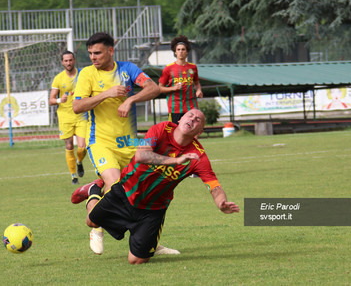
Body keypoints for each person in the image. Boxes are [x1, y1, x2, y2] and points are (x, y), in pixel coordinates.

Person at [77, 109, 239, 264]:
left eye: (198, 120)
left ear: (200, 132)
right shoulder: (161, 129)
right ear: (180, 119)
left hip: (153, 209)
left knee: (136, 261)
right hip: (125, 192)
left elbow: (214, 185)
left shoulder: (198, 156)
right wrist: (175, 161)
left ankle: (145, 239)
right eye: (190, 115)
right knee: (91, 222)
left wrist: (221, 202)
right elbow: (141, 155)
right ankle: (94, 190)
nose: (192, 119)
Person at [72, 32, 182, 255]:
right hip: (101, 142)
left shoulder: (127, 69)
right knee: (116, 188)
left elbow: (153, 88)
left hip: (131, 143)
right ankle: (98, 227)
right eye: (90, 53)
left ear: (111, 51)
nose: (93, 57)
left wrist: (131, 98)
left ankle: (148, 241)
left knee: (149, 192)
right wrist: (107, 93)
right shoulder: (86, 74)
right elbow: (77, 106)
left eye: (98, 52)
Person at [49, 51, 88, 185]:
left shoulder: (82, 75)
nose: (68, 63)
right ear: (62, 62)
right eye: (66, 61)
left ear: (74, 60)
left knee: (82, 147)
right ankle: (73, 176)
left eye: (70, 60)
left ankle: (79, 161)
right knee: (69, 145)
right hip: (65, 117)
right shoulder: (58, 78)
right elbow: (51, 100)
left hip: (81, 115)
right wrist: (60, 99)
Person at [159, 35, 203, 124]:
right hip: (175, 107)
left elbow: (197, 83)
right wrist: (173, 88)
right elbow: (160, 88)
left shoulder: (193, 67)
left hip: (191, 105)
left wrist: (198, 90)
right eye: (178, 50)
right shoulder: (168, 68)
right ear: (175, 52)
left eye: (183, 49)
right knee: (176, 132)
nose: (181, 52)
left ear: (187, 52)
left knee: (195, 128)